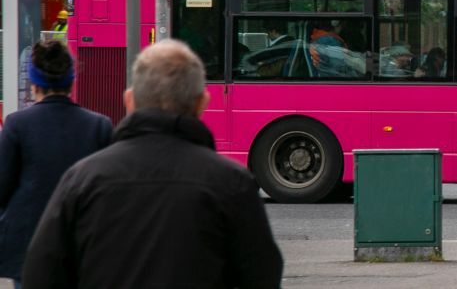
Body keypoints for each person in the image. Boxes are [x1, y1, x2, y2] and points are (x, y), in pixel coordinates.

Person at [21, 39, 283, 289]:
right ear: (202, 103)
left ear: (129, 100)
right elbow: (262, 275)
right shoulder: (232, 182)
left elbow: (41, 273)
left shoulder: (82, 179)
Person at [0, 40, 112, 289]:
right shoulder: (99, 126)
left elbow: (2, 186)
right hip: (82, 245)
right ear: (71, 81)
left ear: (34, 84)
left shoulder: (17, 124)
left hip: (29, 247)